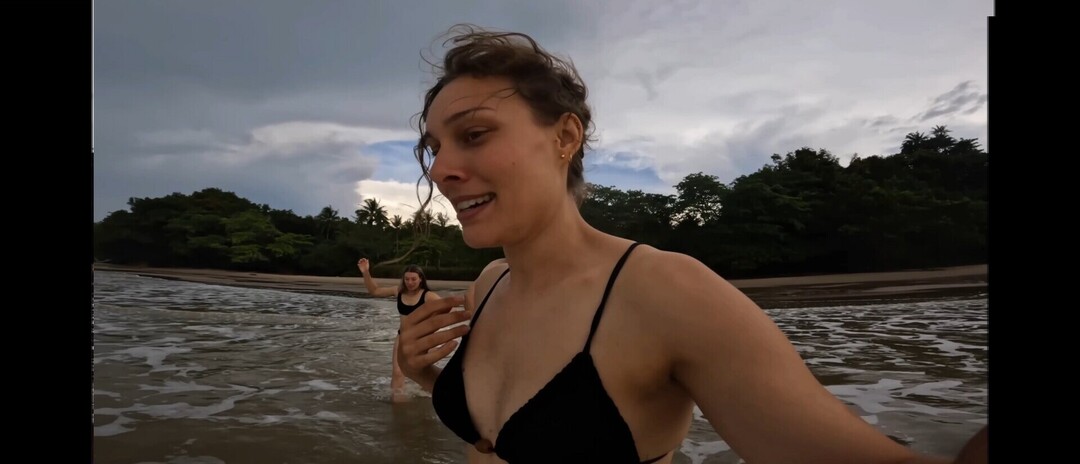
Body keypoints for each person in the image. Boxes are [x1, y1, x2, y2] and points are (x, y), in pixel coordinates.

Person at [395, 24, 989, 463]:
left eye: (474, 134)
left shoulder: (664, 293)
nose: (442, 169)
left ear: (565, 136)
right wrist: (426, 376)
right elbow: (497, 439)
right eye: (434, 149)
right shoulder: (490, 285)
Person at [357, 258, 441, 403]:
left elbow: (446, 307)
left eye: (413, 279)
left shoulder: (428, 296)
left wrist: (429, 327)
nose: (410, 282)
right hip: (402, 337)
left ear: (420, 279)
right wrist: (365, 272)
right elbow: (375, 291)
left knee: (422, 371)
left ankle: (432, 400)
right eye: (407, 279)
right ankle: (398, 406)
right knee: (397, 372)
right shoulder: (398, 291)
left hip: (421, 339)